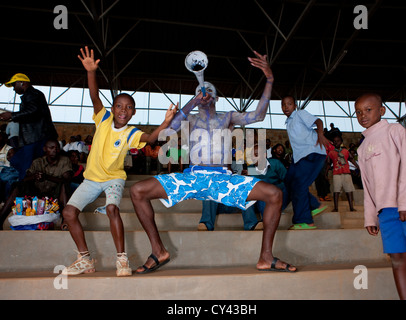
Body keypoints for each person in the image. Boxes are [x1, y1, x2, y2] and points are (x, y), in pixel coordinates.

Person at [130, 51, 297, 273]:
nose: (205, 94)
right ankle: (158, 250)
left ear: (216, 98)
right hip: (192, 177)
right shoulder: (189, 117)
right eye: (201, 91)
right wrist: (192, 102)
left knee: (275, 195)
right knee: (137, 191)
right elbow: (167, 131)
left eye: (210, 91)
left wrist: (269, 79)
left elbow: (257, 115)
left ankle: (266, 257)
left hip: (223, 179)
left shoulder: (227, 117)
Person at [61, 47, 177, 277]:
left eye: (129, 107)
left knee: (113, 208)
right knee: (68, 213)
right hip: (91, 179)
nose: (123, 110)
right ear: (113, 109)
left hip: (114, 178)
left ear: (133, 113)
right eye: (119, 106)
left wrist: (164, 123)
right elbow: (94, 97)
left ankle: (121, 259)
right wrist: (91, 72)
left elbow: (151, 139)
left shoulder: (132, 132)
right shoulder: (102, 119)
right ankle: (85, 259)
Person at [355, 93, 406, 300]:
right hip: (386, 212)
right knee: (398, 259)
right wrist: (371, 216)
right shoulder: (361, 147)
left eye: (368, 110)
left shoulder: (394, 130)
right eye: (358, 112)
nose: (363, 115)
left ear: (381, 111)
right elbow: (367, 186)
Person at [0, 140, 73, 230]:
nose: (55, 150)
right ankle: (0, 218)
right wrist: (34, 176)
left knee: (64, 186)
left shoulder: (64, 161)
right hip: (37, 194)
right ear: (45, 149)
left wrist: (47, 177)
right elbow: (24, 179)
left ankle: (65, 221)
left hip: (55, 195)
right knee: (18, 186)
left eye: (57, 148)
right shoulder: (38, 162)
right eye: (51, 148)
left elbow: (67, 179)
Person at [281, 95, 330, 230]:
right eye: (284, 105)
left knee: (299, 185)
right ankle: (314, 205)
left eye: (289, 104)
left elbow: (318, 121)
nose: (286, 107)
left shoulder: (300, 114)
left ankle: (305, 220)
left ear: (295, 106)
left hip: (312, 152)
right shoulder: (288, 122)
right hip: (299, 157)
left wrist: (320, 134)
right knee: (289, 181)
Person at [1, 73, 58, 180]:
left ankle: (24, 191)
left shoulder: (32, 94)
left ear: (22, 83)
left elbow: (33, 111)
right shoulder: (33, 95)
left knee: (25, 166)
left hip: (36, 138)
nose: (14, 89)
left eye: (14, 85)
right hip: (34, 138)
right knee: (18, 162)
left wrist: (12, 115)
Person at [326, 135, 357, 212]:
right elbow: (328, 164)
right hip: (336, 173)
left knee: (349, 190)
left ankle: (351, 207)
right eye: (335, 141)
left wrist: (358, 167)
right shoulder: (331, 153)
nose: (336, 143)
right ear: (333, 143)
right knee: (336, 190)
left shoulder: (346, 151)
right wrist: (326, 173)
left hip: (346, 173)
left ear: (341, 142)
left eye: (338, 141)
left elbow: (351, 159)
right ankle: (336, 207)